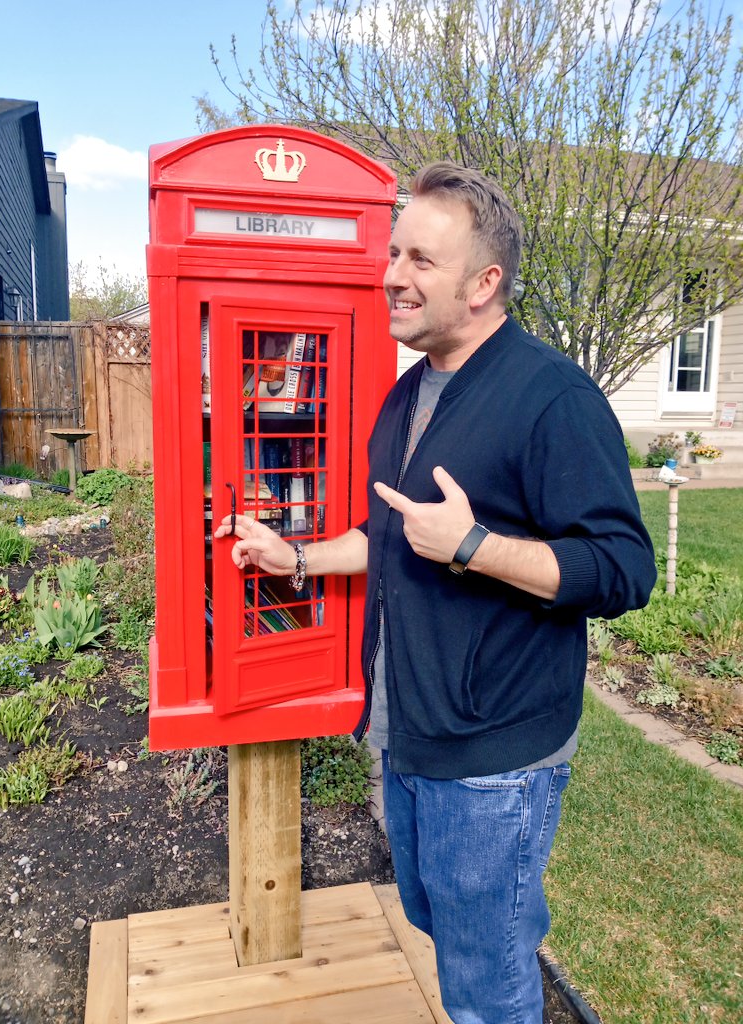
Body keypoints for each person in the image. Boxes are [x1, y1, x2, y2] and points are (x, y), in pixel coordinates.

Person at [216, 162, 656, 1023]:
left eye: (421, 259)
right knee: (434, 919)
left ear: (485, 283)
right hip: (409, 732)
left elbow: (623, 568)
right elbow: (389, 535)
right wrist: (295, 559)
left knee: (486, 988)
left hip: (495, 756)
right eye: (393, 253)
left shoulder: (552, 397)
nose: (392, 275)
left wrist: (477, 547)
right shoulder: (407, 394)